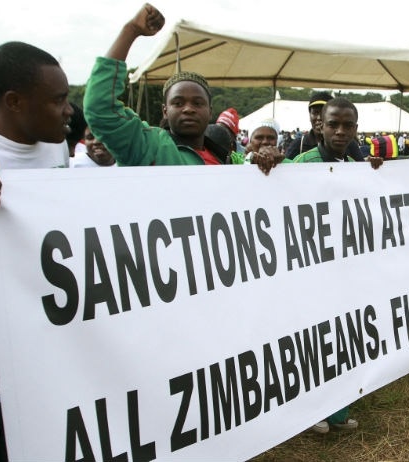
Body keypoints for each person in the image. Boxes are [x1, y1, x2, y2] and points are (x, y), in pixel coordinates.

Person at [0, 40, 73, 462]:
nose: (69, 110)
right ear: (14, 102)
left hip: (51, 364)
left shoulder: (55, 148)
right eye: (58, 100)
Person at [83, 3, 280, 175]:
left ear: (210, 111)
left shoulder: (225, 157)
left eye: (197, 103)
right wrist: (131, 30)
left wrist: (266, 159)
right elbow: (99, 108)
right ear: (165, 111)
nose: (188, 109)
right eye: (178, 103)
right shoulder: (148, 146)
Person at [294, 97, 382, 434]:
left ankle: (337, 411)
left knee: (342, 339)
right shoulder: (302, 162)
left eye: (348, 125)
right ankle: (310, 411)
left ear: (357, 129)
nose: (340, 131)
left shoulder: (355, 164)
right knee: (314, 340)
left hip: (345, 271)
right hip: (311, 272)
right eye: (333, 124)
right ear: (321, 125)